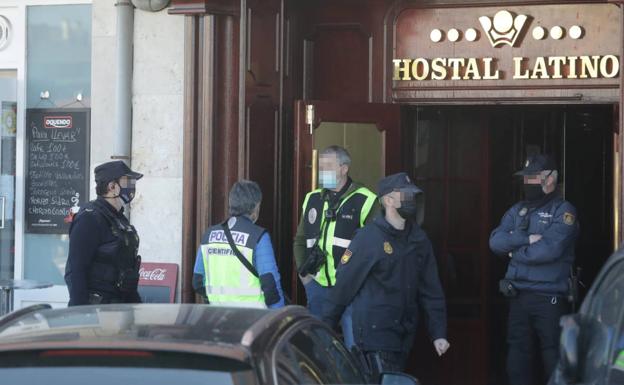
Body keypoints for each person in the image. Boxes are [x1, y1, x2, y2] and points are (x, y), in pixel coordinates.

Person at [322, 172, 449, 380]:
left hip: (405, 333)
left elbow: (431, 290)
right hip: (374, 334)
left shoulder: (419, 239)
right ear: (388, 200)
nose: (412, 201)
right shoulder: (368, 238)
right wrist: (325, 328)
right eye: (406, 196)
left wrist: (438, 333)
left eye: (413, 196)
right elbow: (344, 287)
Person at [489, 154, 579, 385]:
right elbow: (496, 241)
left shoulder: (564, 211)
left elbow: (549, 250)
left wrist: (514, 253)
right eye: (525, 178)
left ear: (551, 179)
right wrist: (527, 239)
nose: (527, 182)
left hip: (549, 297)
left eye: (533, 177)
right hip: (518, 295)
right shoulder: (517, 210)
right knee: (518, 354)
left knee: (553, 356)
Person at [293, 145, 378, 348]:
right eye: (321, 167)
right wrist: (305, 277)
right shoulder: (312, 198)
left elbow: (374, 249)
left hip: (352, 291)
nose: (323, 172)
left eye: (328, 166)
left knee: (355, 349)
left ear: (344, 168)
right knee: (320, 351)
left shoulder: (365, 199)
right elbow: (300, 239)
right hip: (318, 287)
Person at [192, 180, 285, 308]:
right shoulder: (258, 237)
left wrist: (217, 300)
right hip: (253, 321)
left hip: (218, 317)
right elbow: (271, 287)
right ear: (256, 207)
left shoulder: (209, 235)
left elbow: (197, 282)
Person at [65, 160, 143, 306]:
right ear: (112, 187)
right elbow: (77, 270)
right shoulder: (90, 218)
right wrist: (81, 315)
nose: (132, 187)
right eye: (127, 182)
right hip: (98, 311)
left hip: (120, 306)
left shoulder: (118, 218)